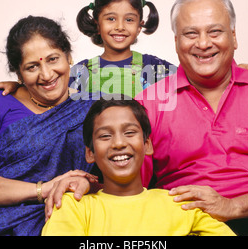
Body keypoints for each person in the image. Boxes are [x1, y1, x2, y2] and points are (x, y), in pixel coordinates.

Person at [46, 0, 248, 236]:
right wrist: (85, 180)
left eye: (214, 32)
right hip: (191, 226)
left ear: (234, 36)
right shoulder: (149, 104)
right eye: (190, 34)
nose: (203, 44)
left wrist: (233, 205)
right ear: (176, 42)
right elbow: (126, 174)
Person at [0, 16, 98, 236]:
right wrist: (42, 189)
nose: (47, 74)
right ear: (19, 73)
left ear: (68, 56)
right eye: (32, 67)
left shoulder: (92, 109)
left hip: (66, 220)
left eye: (53, 59)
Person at [0, 0, 248, 97]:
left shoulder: (156, 68)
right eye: (110, 19)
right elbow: (47, 90)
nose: (120, 27)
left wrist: (232, 71)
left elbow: (200, 77)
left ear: (141, 23)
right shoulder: (80, 71)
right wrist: (17, 85)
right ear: (96, 23)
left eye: (129, 19)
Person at [41, 97, 235, 236]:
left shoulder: (181, 204)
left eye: (129, 132)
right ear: (90, 153)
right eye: (105, 136)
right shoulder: (73, 205)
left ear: (147, 145)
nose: (118, 143)